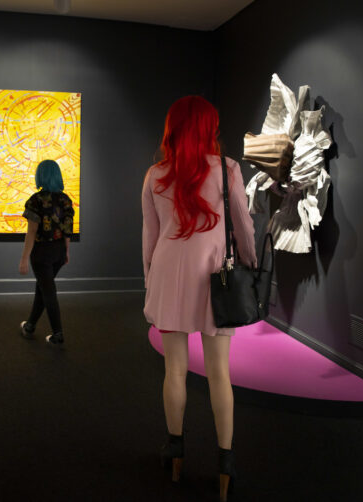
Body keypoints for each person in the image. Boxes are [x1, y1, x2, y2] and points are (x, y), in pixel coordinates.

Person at [142, 96, 257, 501]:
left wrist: (149, 280)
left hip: (168, 278)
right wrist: (250, 262)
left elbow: (150, 238)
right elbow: (243, 225)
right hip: (215, 280)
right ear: (209, 127)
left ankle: (175, 452)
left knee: (175, 372)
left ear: (173, 129)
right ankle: (225, 464)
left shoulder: (156, 173)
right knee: (219, 375)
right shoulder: (227, 171)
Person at [18, 159, 74, 346]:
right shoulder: (65, 199)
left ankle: (58, 334)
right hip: (58, 251)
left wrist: (24, 259)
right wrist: (66, 252)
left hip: (41, 254)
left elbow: (31, 232)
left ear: (40, 175)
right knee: (43, 288)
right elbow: (67, 229)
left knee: (48, 291)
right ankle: (30, 325)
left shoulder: (35, 201)